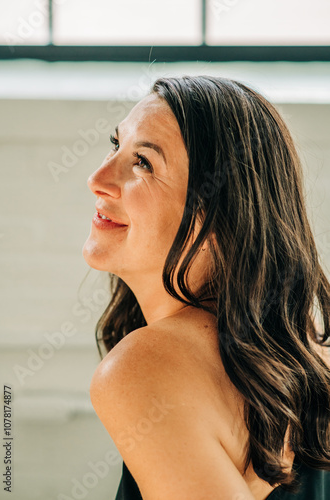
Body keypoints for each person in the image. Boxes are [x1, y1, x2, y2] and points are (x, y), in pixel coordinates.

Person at [82, 76, 330, 500]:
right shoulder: (304, 350)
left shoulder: (143, 367)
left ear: (218, 214)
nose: (98, 178)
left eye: (143, 162)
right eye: (115, 143)